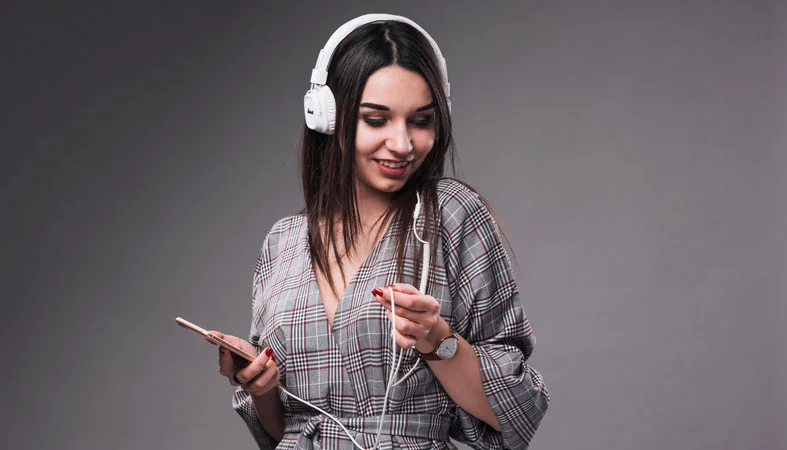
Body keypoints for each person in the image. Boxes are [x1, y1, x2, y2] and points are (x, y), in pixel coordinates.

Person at [211, 14, 550, 449]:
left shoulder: (450, 216)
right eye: (377, 120)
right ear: (327, 118)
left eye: (421, 121)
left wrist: (437, 341)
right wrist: (261, 389)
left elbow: (516, 414)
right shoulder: (284, 243)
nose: (403, 144)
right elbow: (285, 432)